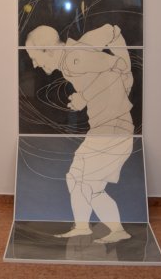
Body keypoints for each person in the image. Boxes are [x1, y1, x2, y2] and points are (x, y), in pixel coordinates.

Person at [25, 24, 134, 243]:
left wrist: (125, 78)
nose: (35, 64)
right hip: (106, 128)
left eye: (35, 57)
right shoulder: (74, 55)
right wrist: (86, 96)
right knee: (78, 178)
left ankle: (114, 230)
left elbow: (117, 65)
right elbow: (112, 32)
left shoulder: (74, 59)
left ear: (49, 50)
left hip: (112, 129)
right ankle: (86, 227)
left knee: (85, 181)